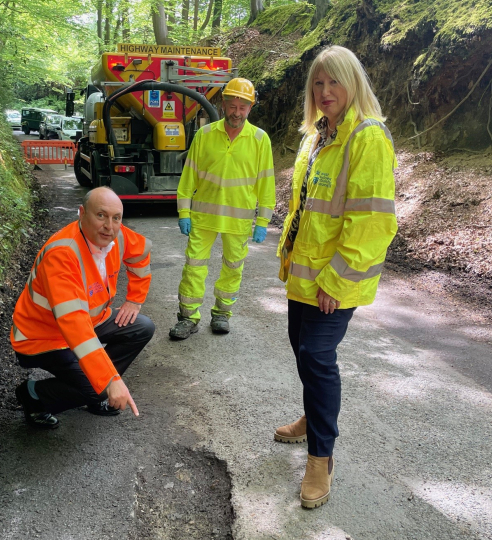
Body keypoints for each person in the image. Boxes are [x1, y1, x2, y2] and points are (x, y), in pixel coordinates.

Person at [273, 45, 398, 508]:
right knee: (301, 352)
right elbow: (307, 209)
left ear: (354, 83)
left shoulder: (367, 137)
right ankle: (311, 416)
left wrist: (336, 280)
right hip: (303, 275)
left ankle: (320, 458)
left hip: (333, 281)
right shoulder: (316, 136)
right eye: (318, 84)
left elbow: (373, 221)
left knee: (317, 357)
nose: (325, 92)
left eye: (334, 82)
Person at [10, 187, 155, 428]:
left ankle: (89, 387)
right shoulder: (62, 255)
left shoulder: (115, 235)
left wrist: (135, 299)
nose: (109, 225)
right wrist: (109, 380)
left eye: (116, 218)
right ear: (81, 213)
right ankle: (33, 395)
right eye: (101, 215)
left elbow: (141, 254)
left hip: (92, 321)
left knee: (142, 328)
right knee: (100, 386)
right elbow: (74, 325)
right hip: (44, 336)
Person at [169, 77, 275, 339]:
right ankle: (188, 317)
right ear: (223, 103)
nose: (237, 112)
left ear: (250, 108)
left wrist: (262, 221)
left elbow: (266, 184)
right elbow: (188, 179)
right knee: (193, 267)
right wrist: (184, 212)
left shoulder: (260, 140)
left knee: (232, 268)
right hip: (203, 217)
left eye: (243, 107)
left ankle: (221, 314)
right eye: (232, 105)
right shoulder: (204, 135)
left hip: (237, 221)